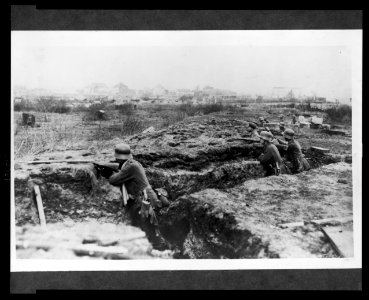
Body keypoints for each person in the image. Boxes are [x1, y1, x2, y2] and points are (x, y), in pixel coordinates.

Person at [108, 143, 169, 250]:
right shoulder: (133, 163)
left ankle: (160, 250)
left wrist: (110, 173)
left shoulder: (131, 166)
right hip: (147, 197)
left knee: (150, 228)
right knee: (148, 227)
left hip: (145, 199)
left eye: (117, 159)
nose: (116, 161)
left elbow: (113, 180)